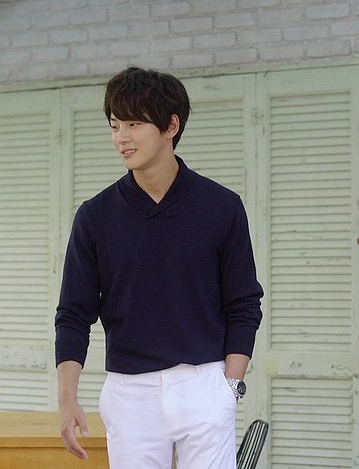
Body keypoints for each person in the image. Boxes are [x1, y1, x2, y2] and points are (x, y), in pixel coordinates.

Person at [55, 66, 264, 468]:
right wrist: (68, 400)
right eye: (115, 125)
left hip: (205, 384)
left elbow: (244, 303)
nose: (121, 137)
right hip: (129, 394)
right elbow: (73, 315)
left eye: (134, 124)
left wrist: (230, 386)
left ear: (171, 126)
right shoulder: (95, 216)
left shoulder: (222, 207)